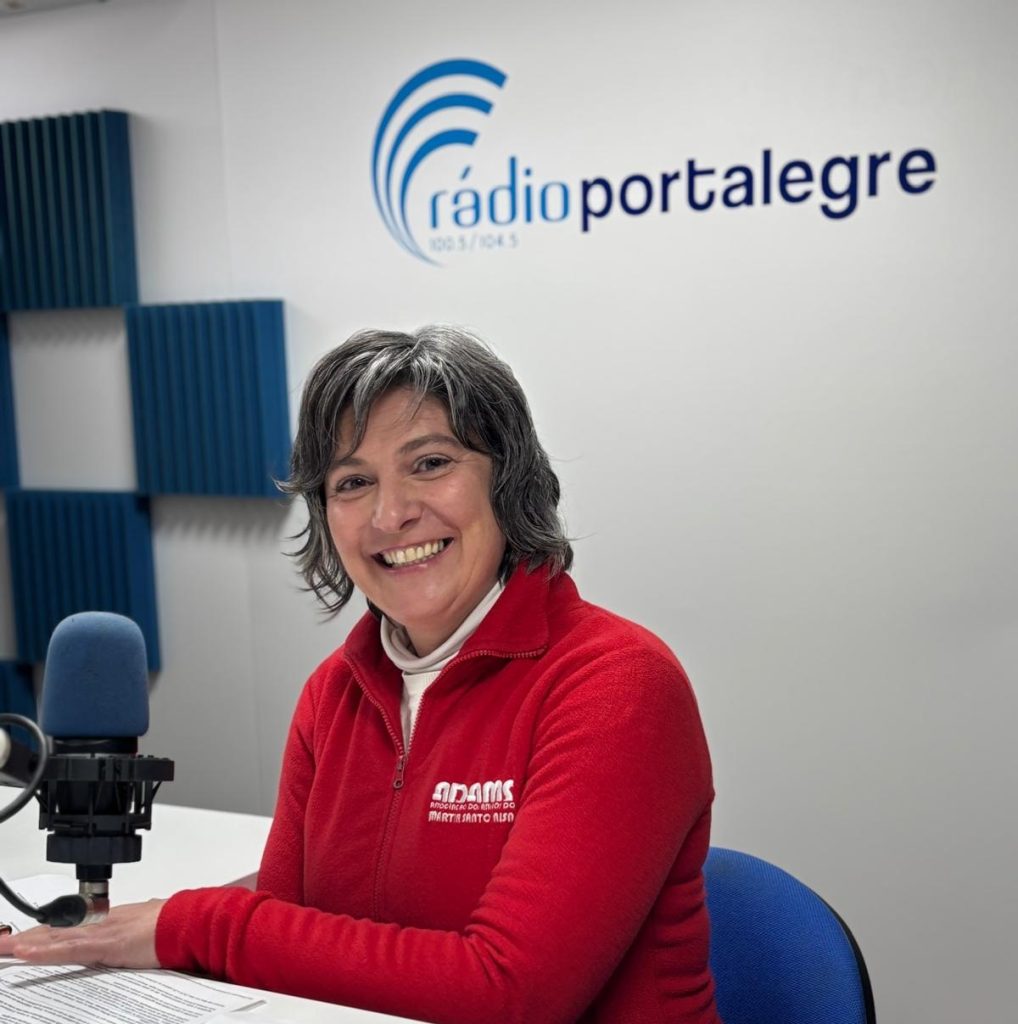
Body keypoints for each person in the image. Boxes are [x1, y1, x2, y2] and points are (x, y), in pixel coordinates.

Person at [0, 326, 722, 1024]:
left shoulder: (616, 685)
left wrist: (195, 924)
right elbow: (281, 946)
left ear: (509, 480)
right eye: (353, 481)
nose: (392, 513)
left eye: (431, 463)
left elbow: (509, 995)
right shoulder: (334, 694)